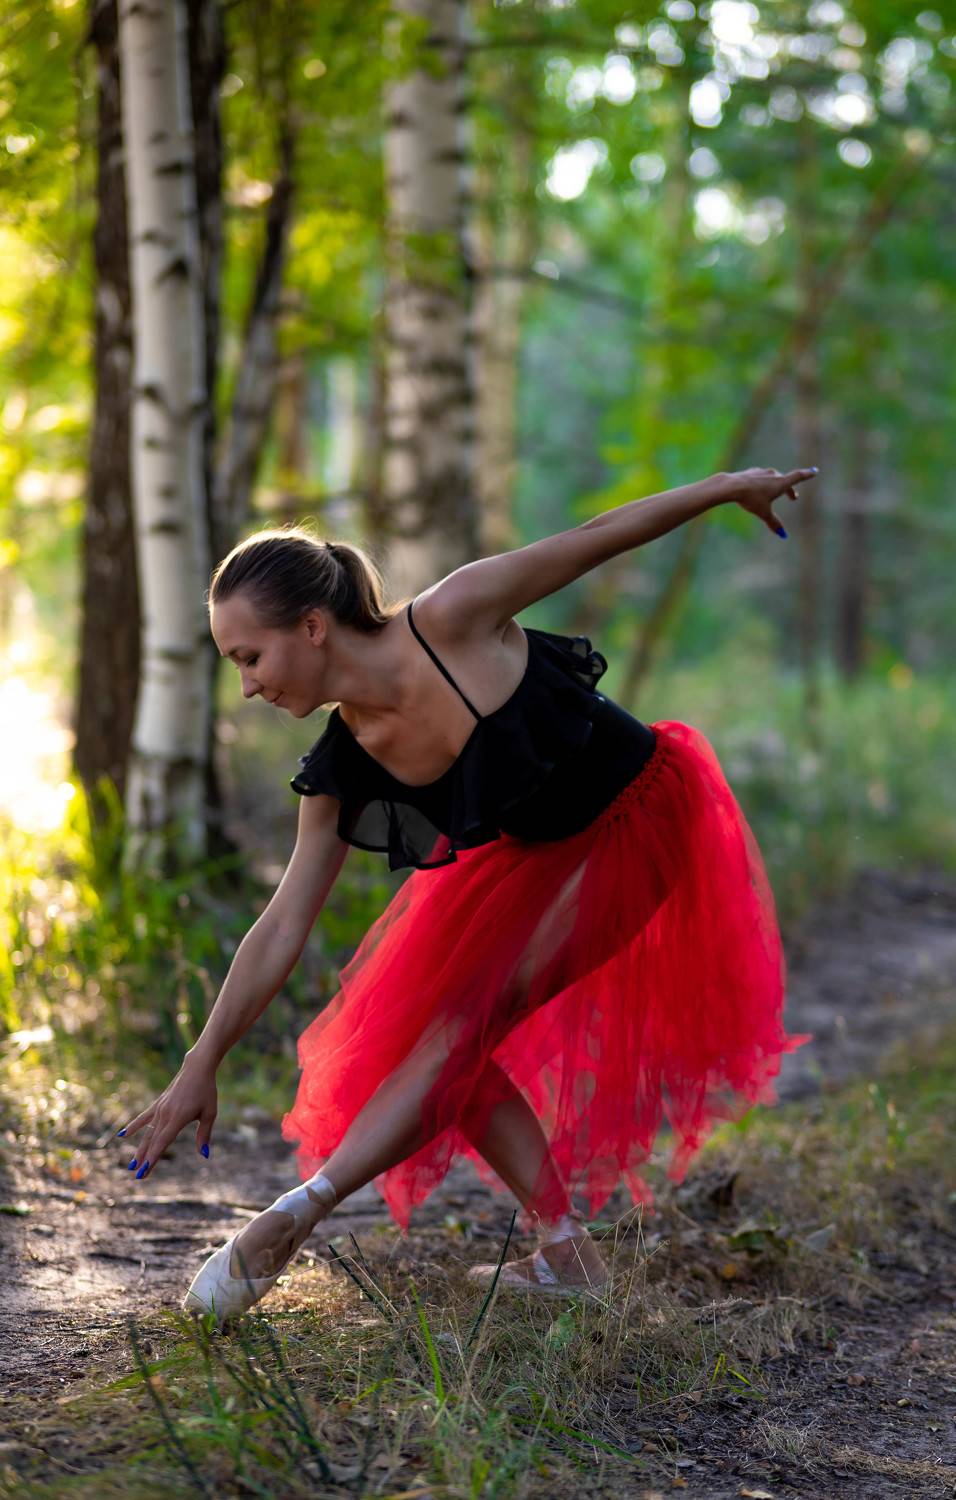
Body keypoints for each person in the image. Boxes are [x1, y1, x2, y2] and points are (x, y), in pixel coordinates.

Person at [118, 465, 816, 1319]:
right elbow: (282, 923)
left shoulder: (452, 618)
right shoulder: (340, 766)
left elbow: (597, 537)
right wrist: (203, 1059)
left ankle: (303, 1209)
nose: (248, 685)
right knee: (428, 1027)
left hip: (636, 816)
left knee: (470, 1012)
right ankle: (566, 1252)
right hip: (534, 854)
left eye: (250, 657)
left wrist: (729, 488)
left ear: (312, 626)